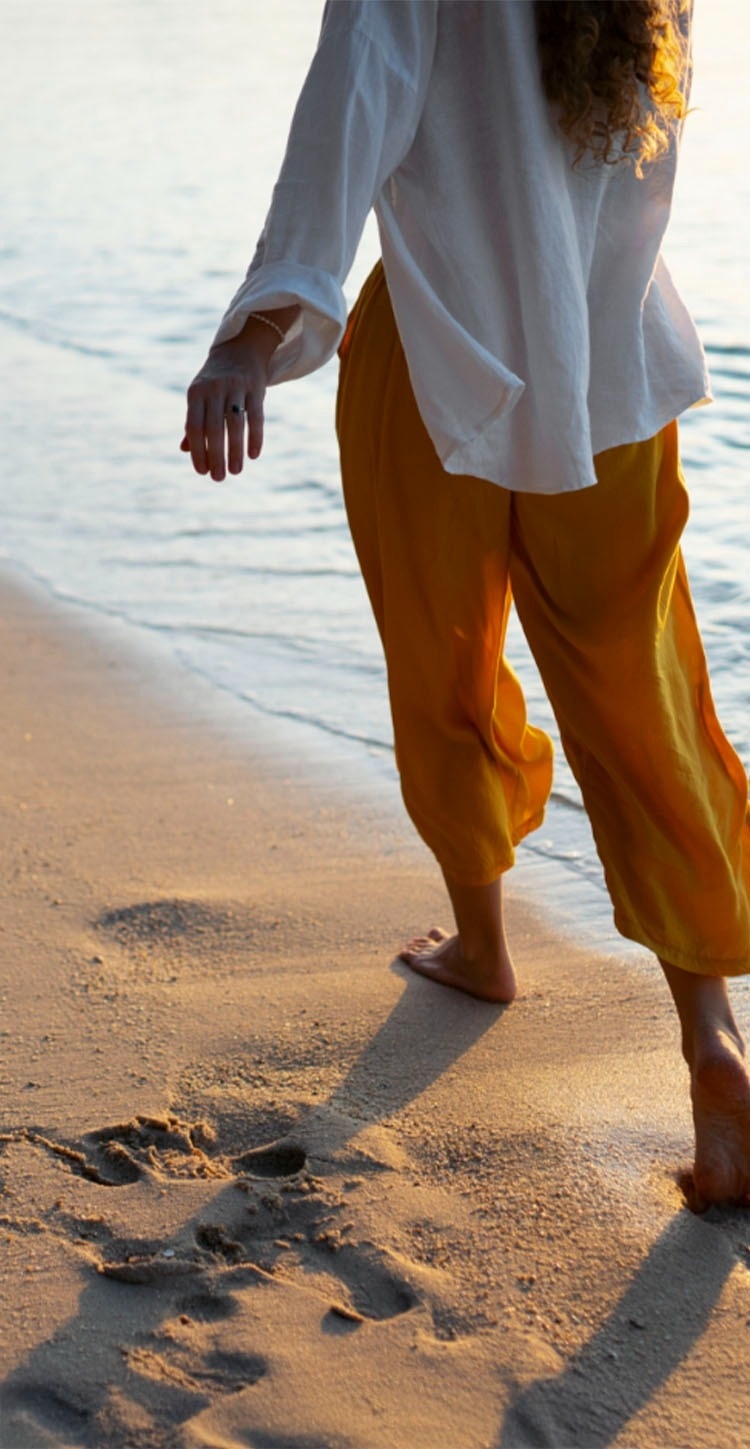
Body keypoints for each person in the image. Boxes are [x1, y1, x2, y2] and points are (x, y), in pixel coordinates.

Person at [181, 1, 749, 1209]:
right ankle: (712, 1034)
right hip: (611, 367)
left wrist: (254, 338)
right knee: (640, 694)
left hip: (435, 349)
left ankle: (485, 947)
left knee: (443, 657)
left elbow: (348, 120)